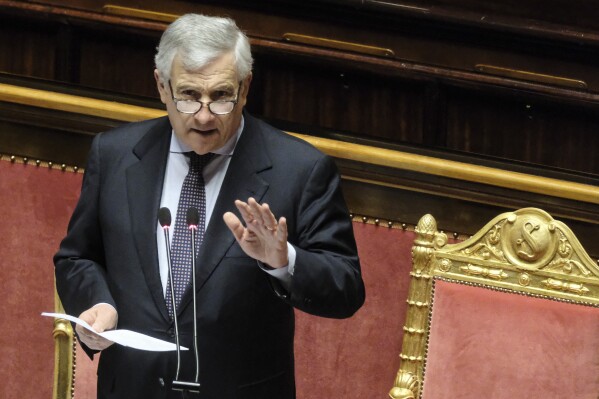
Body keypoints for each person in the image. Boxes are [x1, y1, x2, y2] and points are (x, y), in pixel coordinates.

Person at [54, 13, 365, 399]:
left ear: (245, 87)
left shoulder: (299, 171)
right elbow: (76, 258)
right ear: (161, 86)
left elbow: (346, 289)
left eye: (220, 96)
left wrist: (283, 260)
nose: (203, 115)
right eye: (188, 95)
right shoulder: (114, 155)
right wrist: (98, 303)